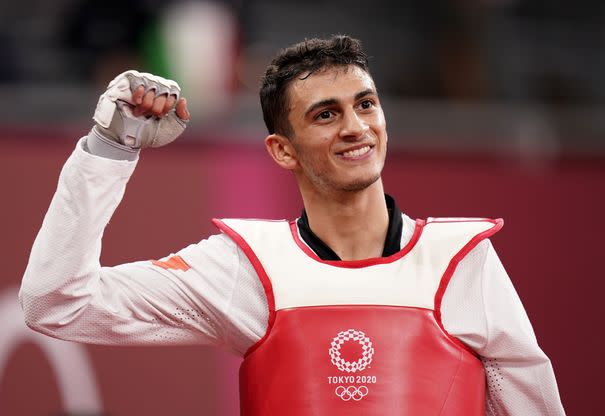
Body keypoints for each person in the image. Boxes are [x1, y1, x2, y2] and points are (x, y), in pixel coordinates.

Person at [20, 35, 565, 415]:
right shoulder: (245, 267)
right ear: (282, 150)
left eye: (366, 104)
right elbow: (57, 302)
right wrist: (110, 147)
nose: (356, 128)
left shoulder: (461, 258)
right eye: (326, 114)